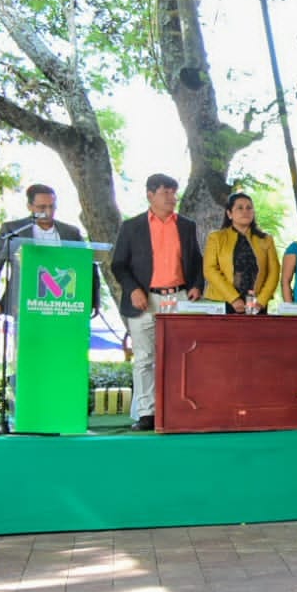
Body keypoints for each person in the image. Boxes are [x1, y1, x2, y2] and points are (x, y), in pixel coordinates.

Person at [110, 173, 205, 431]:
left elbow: (197, 261)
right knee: (144, 357)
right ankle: (146, 413)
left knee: (182, 355)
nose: (172, 198)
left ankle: (180, 407)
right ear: (150, 195)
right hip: (145, 297)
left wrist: (197, 285)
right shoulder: (132, 227)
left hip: (180, 297)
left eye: (174, 193)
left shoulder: (186, 225)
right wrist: (132, 290)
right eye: (166, 193)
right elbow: (118, 265)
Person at [0, 183, 99, 319]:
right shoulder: (13, 231)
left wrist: (93, 301)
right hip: (23, 307)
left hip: (63, 307)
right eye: (42, 207)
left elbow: (88, 265)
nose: (48, 212)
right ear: (29, 206)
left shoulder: (71, 233)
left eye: (51, 206)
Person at [203, 192, 279, 313]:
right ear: (229, 213)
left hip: (256, 304)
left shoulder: (266, 239)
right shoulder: (216, 238)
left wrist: (261, 301)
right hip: (222, 302)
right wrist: (234, 298)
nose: (245, 211)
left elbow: (274, 272)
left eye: (249, 208)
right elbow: (210, 269)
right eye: (240, 208)